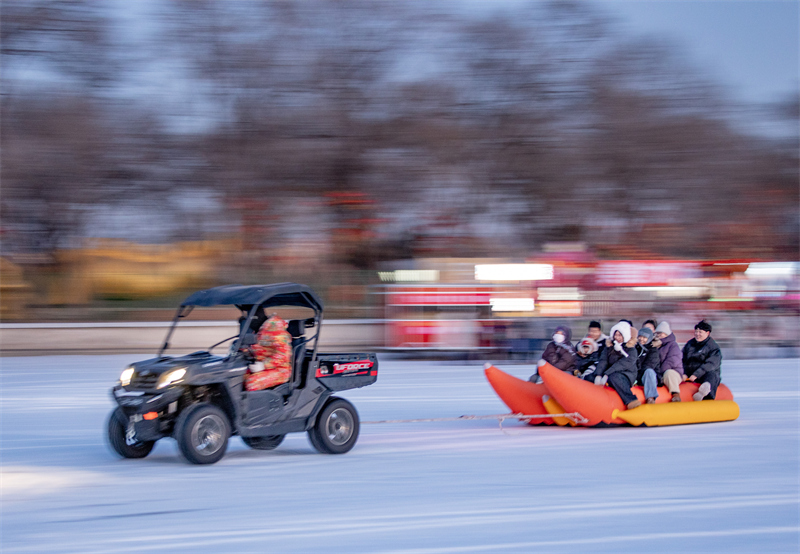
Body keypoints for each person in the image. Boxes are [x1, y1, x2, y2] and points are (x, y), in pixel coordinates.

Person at [593, 321, 641, 409]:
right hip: (610, 371)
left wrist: (607, 374)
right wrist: (598, 375)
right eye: (616, 335)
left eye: (620, 335)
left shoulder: (631, 350)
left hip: (626, 374)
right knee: (590, 377)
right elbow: (603, 360)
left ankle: (631, 400)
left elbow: (622, 364)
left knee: (614, 377)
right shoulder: (609, 347)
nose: (617, 337)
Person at [243, 314, 293, 391]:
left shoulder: (277, 332)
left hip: (280, 370)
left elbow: (283, 355)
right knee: (236, 378)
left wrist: (264, 365)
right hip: (259, 367)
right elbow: (255, 348)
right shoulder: (258, 331)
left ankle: (256, 403)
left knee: (252, 382)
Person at [682, 320, 723, 401]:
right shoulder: (689, 344)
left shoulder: (713, 347)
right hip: (690, 376)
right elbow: (682, 359)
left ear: (707, 333)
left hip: (704, 375)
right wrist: (683, 373)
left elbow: (711, 364)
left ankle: (706, 392)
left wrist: (696, 374)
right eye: (696, 332)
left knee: (712, 375)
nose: (697, 334)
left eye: (700, 332)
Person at [653, 321, 684, 402]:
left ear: (666, 334)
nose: (658, 335)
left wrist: (659, 372)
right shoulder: (655, 346)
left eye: (661, 333)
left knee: (669, 373)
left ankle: (676, 394)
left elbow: (672, 361)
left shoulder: (673, 345)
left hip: (673, 372)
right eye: (657, 333)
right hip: (659, 374)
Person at [635, 327, 662, 404]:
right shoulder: (635, 348)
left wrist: (636, 377)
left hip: (647, 377)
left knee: (649, 371)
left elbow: (648, 365)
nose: (641, 339)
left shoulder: (653, 350)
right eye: (640, 336)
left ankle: (651, 397)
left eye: (644, 337)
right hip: (636, 376)